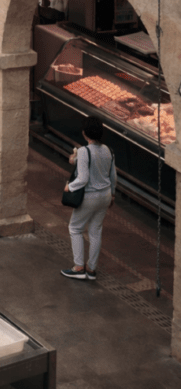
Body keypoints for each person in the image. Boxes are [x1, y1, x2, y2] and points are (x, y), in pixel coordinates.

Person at [61, 116, 116, 281]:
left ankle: (78, 267)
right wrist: (112, 194)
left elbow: (83, 178)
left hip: (89, 196)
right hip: (105, 196)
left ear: (85, 133)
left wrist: (69, 187)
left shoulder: (84, 151)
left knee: (75, 228)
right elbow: (113, 176)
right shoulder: (108, 150)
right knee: (95, 231)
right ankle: (91, 269)